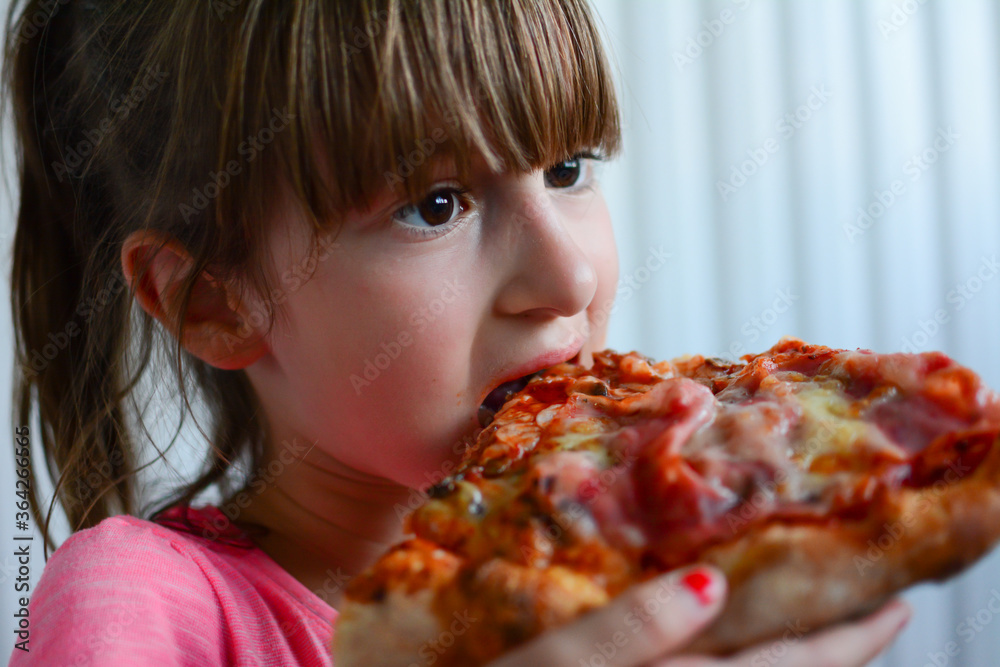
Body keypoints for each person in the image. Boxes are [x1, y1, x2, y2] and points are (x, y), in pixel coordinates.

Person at [3, 0, 911, 664]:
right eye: (435, 204)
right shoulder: (143, 603)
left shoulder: (635, 572)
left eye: (566, 168)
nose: (571, 278)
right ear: (215, 303)